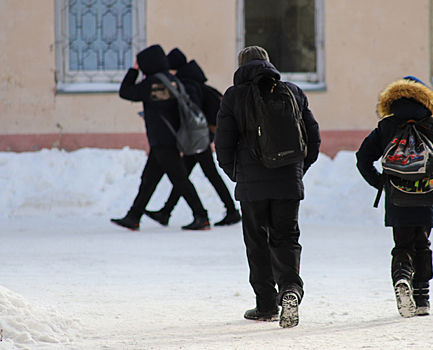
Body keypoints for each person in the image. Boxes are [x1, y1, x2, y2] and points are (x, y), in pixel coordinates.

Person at [214, 46, 321, 328]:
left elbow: (223, 144)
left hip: (252, 184)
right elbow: (313, 138)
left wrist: (236, 174)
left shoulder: (233, 96)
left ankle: (266, 305)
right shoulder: (293, 91)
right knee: (286, 238)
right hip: (288, 181)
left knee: (256, 242)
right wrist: (297, 170)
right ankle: (290, 290)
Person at [356, 76, 433, 317]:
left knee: (402, 244)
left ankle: (402, 278)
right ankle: (422, 298)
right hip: (427, 195)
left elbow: (363, 157)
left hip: (397, 196)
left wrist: (381, 183)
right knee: (422, 244)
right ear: (425, 99)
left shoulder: (386, 126)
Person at [111, 44, 210, 231]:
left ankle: (201, 216)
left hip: (162, 139)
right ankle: (133, 216)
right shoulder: (171, 80)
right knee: (149, 178)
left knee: (180, 179)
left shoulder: (151, 83)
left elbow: (125, 91)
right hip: (169, 138)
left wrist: (134, 70)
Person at [144, 48, 241, 227]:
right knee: (183, 175)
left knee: (203, 174)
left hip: (197, 136)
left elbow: (192, 111)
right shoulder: (193, 80)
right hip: (200, 135)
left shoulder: (187, 84)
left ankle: (231, 211)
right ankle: (166, 212)